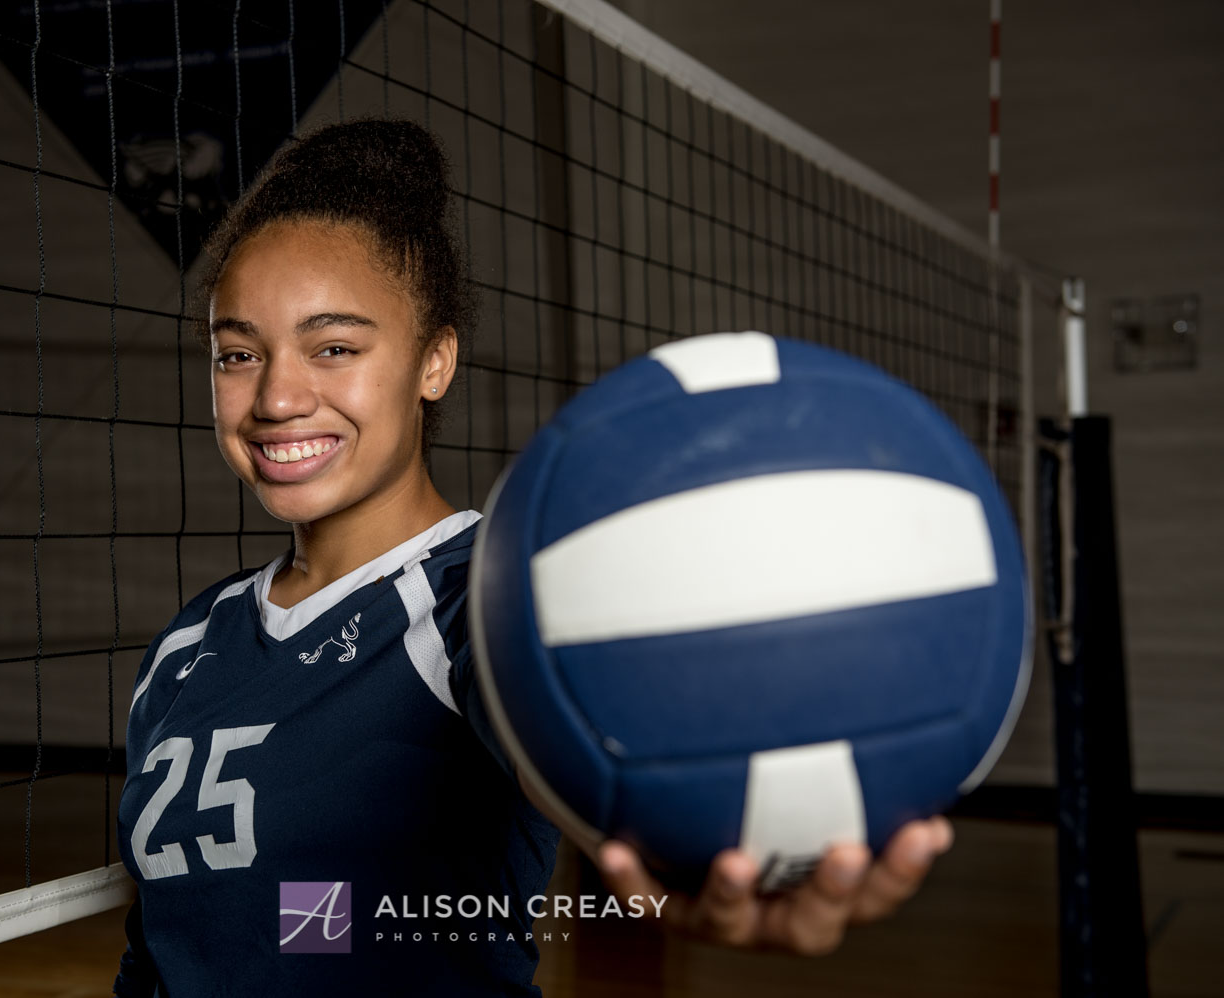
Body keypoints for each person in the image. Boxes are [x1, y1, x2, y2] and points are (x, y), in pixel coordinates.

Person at [112, 118, 953, 998]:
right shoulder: (188, 643)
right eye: (239, 355)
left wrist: (709, 855)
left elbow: (603, 744)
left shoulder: (491, 597)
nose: (278, 396)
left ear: (434, 360)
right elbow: (160, 947)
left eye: (334, 348)